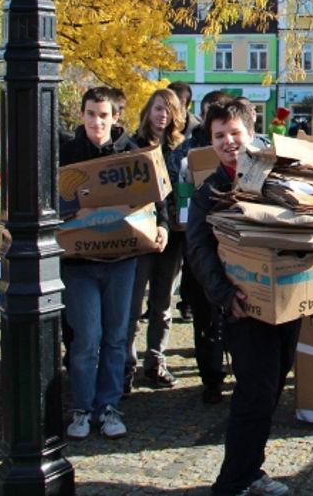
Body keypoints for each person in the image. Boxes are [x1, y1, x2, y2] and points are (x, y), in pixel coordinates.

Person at [185, 100, 296, 496]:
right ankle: (234, 480)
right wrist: (224, 294)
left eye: (235, 133)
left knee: (270, 387)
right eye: (219, 136)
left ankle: (250, 470)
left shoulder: (277, 178)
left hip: (285, 303)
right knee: (254, 391)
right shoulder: (209, 192)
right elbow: (198, 250)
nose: (228, 142)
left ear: (251, 134)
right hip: (242, 307)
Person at [60, 87, 169, 441]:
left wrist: (163, 227)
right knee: (86, 337)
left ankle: (108, 407)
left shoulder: (133, 153)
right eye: (91, 114)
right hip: (79, 263)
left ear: (115, 117)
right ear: (82, 115)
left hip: (122, 260)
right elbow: (49, 200)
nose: (97, 122)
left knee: (116, 337)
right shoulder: (66, 152)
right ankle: (81, 407)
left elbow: (158, 200)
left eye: (103, 115)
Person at [124, 89, 188, 394]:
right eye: (158, 108)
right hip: (140, 233)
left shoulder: (181, 149)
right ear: (148, 111)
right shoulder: (132, 146)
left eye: (169, 110)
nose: (163, 115)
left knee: (163, 302)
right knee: (133, 304)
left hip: (174, 234)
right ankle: (126, 363)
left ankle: (156, 361)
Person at [172, 89, 234, 402]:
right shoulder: (188, 151)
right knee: (205, 318)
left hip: (238, 253)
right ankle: (211, 379)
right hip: (201, 244)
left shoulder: (249, 155)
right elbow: (179, 197)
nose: (226, 139)